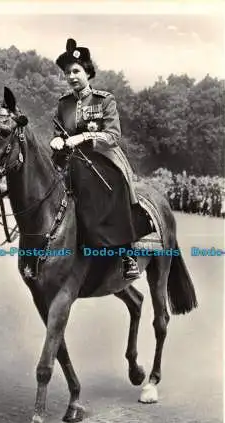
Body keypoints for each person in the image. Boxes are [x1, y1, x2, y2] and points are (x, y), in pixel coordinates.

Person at [50, 38, 142, 279]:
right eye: (67, 72)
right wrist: (57, 140)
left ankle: (127, 254)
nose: (71, 76)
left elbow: (113, 135)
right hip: (71, 159)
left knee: (115, 187)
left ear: (87, 72)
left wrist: (84, 138)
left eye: (76, 71)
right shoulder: (64, 103)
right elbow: (60, 132)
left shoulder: (104, 100)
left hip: (102, 156)